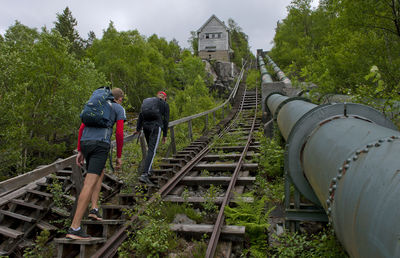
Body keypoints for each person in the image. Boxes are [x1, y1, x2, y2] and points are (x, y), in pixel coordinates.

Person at [66, 87, 126, 240]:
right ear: (119, 98)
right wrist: (119, 156)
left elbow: (82, 127)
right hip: (100, 145)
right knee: (89, 183)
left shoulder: (98, 105)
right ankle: (75, 227)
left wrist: (80, 150)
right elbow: (119, 133)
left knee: (99, 172)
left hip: (86, 142)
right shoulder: (118, 108)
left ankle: (94, 209)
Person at [135, 91, 169, 185]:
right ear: (165, 98)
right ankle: (145, 174)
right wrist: (165, 135)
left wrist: (138, 128)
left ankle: (148, 170)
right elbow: (166, 120)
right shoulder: (164, 104)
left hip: (145, 127)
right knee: (152, 150)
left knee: (149, 149)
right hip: (155, 127)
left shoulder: (149, 103)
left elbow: (141, 115)